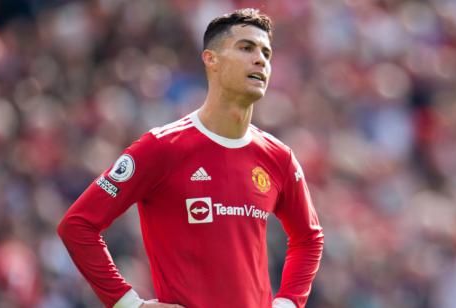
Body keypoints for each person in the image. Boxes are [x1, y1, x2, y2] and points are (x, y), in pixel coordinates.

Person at [58, 8, 324, 308]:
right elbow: (77, 225)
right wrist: (129, 304)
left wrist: (288, 302)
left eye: (266, 52)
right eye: (246, 48)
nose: (260, 59)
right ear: (211, 60)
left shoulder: (278, 158)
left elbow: (309, 239)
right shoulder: (162, 147)